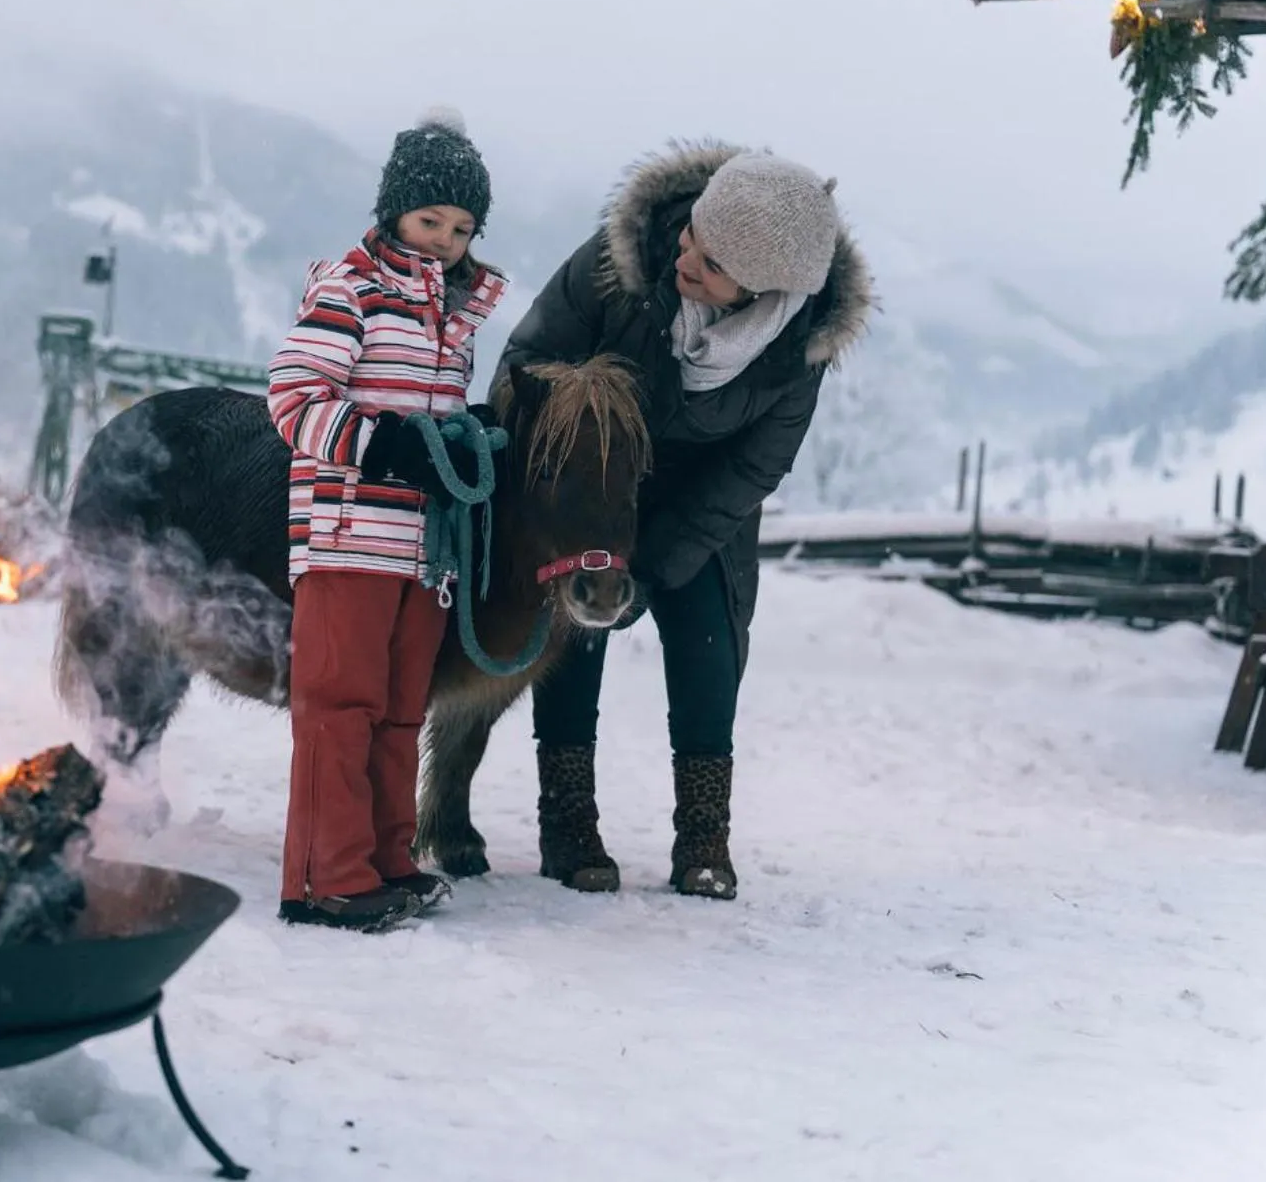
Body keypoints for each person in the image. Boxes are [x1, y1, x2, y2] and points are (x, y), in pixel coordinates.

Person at [498, 143, 872, 898]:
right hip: (595, 487)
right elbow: (525, 363)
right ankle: (567, 819)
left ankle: (704, 835)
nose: (685, 258)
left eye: (709, 264)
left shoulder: (795, 349)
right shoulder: (617, 264)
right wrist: (580, 493)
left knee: (708, 643)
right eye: (691, 237)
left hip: (705, 507)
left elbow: (754, 468)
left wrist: (655, 559)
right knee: (579, 622)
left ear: (759, 293)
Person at [267, 108, 507, 932]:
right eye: (429, 219)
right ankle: (326, 877)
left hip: (424, 548)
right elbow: (294, 400)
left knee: (403, 710)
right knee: (341, 707)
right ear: (394, 211)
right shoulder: (352, 290)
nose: (444, 238)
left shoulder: (456, 317)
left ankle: (384, 859)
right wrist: (385, 446)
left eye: (461, 226)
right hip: (348, 534)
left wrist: (462, 445)